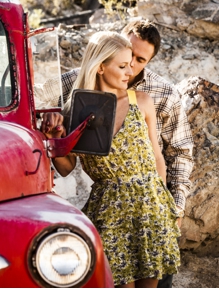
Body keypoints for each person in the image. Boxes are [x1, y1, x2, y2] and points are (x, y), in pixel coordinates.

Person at [42, 20, 192, 287]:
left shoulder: (143, 100)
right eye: (123, 65)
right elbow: (66, 167)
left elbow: (160, 156)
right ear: (100, 67)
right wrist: (53, 136)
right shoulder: (76, 110)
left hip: (151, 207)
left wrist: (169, 207)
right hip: (109, 211)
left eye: (135, 62)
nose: (130, 70)